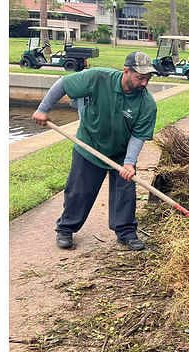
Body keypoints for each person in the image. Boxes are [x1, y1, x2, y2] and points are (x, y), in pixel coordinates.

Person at [32, 51, 159, 251]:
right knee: (79, 191)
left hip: (121, 152)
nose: (144, 83)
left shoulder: (147, 104)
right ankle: (66, 228)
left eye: (148, 79)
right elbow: (64, 84)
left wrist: (128, 162)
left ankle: (126, 232)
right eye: (140, 78)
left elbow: (138, 135)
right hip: (89, 146)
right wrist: (43, 109)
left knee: (125, 192)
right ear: (127, 71)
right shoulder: (99, 78)